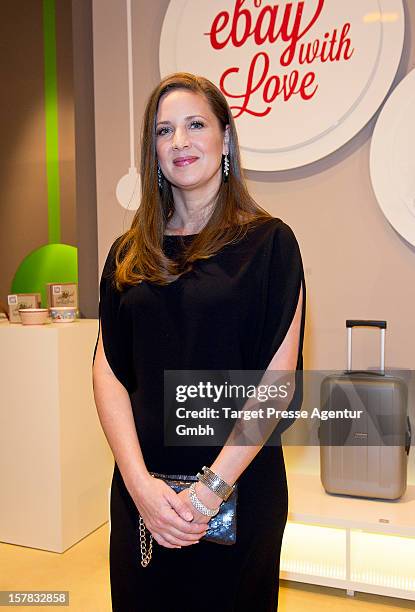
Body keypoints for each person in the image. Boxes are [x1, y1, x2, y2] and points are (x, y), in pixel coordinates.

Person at [92, 72, 306, 612]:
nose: (180, 142)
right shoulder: (127, 253)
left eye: (195, 125)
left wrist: (211, 491)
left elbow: (276, 385)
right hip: (145, 496)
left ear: (225, 138)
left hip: (239, 490)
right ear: (152, 150)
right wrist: (141, 488)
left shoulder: (270, 244)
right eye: (164, 131)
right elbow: (109, 372)